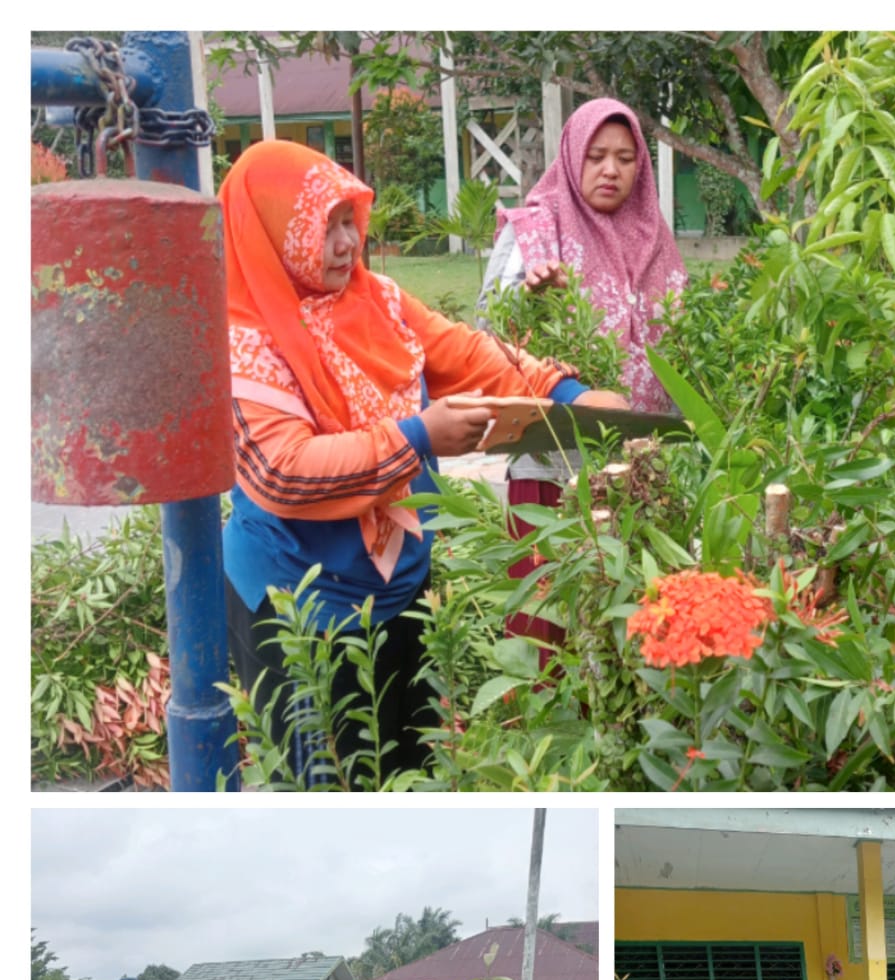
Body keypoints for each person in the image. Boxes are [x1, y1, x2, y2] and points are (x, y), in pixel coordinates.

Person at [219, 139, 625, 782]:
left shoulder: (375, 299)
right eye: (326, 227)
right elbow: (283, 470)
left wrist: (565, 393)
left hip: (399, 588)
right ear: (273, 231)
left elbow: (468, 355)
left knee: (413, 771)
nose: (348, 243)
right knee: (326, 781)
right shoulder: (244, 340)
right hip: (299, 604)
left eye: (351, 220)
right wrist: (417, 437)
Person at [478, 98, 687, 656]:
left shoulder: (654, 237)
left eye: (624, 158)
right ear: (572, 157)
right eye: (596, 156)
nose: (611, 170)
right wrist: (528, 302)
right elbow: (486, 336)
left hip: (639, 467)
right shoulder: (535, 230)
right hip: (553, 466)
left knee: (633, 627)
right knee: (551, 621)